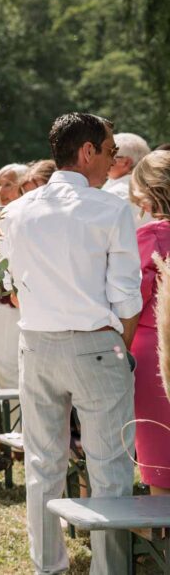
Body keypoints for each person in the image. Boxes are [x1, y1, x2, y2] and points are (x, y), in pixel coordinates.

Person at [0, 112, 140, 574]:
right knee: (110, 468)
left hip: (35, 344)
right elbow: (126, 296)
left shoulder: (15, 211)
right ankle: (108, 569)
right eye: (111, 151)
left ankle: (49, 567)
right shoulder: (111, 209)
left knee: (42, 463)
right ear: (88, 152)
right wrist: (120, 348)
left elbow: (10, 283)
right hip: (96, 345)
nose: (113, 160)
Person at [128, 151, 170, 495]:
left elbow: (134, 297)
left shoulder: (152, 234)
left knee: (161, 452)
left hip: (158, 348)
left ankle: (161, 540)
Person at [0, 164, 29, 392]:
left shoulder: (25, 217)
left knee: (12, 370)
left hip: (17, 304)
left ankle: (21, 426)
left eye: (8, 184)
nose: (1, 190)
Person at [103, 131, 151, 225]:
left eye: (107, 155)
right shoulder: (153, 187)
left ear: (125, 162)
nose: (101, 161)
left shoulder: (117, 194)